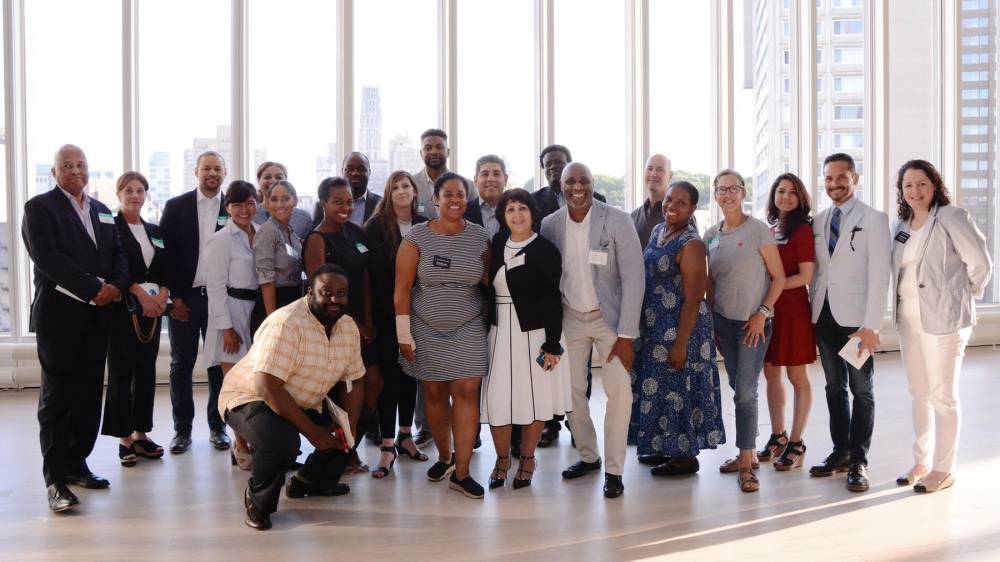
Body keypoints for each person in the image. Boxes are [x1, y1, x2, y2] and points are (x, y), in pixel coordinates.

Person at [22, 145, 129, 512]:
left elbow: (118, 253)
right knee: (58, 397)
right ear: (54, 173)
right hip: (59, 316)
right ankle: (55, 480)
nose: (75, 170)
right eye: (67, 165)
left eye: (81, 165)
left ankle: (76, 463)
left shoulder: (101, 210)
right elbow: (50, 259)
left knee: (87, 395)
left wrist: (115, 285)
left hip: (98, 317)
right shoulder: (39, 208)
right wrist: (95, 289)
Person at [219, 264, 363, 530]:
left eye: (341, 293)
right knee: (282, 442)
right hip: (250, 397)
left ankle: (309, 481)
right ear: (310, 293)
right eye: (326, 292)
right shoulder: (286, 323)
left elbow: (352, 379)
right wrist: (313, 433)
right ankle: (258, 501)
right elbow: (267, 386)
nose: (334, 299)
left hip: (302, 397)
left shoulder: (347, 326)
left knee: (361, 416)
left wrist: (350, 424)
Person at [540, 162, 644, 499]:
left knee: (620, 391)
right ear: (562, 186)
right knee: (569, 390)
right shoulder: (550, 224)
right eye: (571, 182)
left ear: (592, 183)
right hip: (570, 317)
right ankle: (589, 455)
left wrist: (627, 336)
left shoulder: (616, 219)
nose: (577, 187)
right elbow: (547, 278)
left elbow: (633, 277)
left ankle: (614, 470)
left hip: (609, 319)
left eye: (584, 180)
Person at [890, 160, 991, 493]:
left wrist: (963, 296)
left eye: (922, 184)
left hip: (945, 320)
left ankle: (944, 469)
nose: (915, 191)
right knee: (919, 394)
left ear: (934, 185)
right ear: (901, 191)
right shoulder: (901, 226)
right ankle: (922, 460)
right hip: (909, 321)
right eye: (908, 185)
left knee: (943, 396)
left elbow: (980, 263)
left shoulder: (951, 217)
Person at [395, 172, 491, 499]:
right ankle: (445, 457)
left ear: (467, 199)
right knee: (434, 395)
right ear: (434, 198)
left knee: (466, 392)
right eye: (447, 194)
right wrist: (403, 334)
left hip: (469, 326)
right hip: (424, 328)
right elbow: (401, 290)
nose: (454, 199)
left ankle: (462, 473)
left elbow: (492, 282)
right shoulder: (416, 238)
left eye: (460, 194)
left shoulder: (480, 237)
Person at [628, 182, 725, 477]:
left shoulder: (692, 244)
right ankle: (661, 446)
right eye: (670, 199)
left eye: (681, 203)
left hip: (682, 329)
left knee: (677, 391)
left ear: (693, 209)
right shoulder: (659, 231)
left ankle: (684, 456)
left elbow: (694, 299)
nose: (672, 205)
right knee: (658, 388)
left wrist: (681, 343)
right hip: (656, 328)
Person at [808, 153, 890, 493]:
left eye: (841, 177)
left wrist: (871, 325)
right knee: (833, 388)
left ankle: (859, 460)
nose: (834, 184)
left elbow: (880, 275)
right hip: (824, 317)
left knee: (861, 390)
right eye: (829, 178)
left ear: (855, 178)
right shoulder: (819, 220)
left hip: (856, 322)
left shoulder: (873, 218)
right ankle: (840, 451)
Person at [482, 188, 570, 490]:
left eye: (522, 208)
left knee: (535, 399)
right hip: (498, 332)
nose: (516, 215)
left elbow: (552, 299)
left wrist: (552, 343)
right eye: (510, 210)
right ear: (502, 215)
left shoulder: (545, 250)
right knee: (498, 399)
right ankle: (502, 459)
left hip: (534, 335)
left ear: (533, 213)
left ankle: (528, 458)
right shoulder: (496, 243)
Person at [704, 169, 786, 493]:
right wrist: (712, 323)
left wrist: (762, 314)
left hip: (754, 324)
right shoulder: (710, 234)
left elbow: (778, 278)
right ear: (715, 196)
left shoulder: (758, 231)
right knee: (738, 386)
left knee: (746, 392)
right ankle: (746, 454)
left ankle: (746, 460)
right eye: (721, 189)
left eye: (733, 188)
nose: (727, 194)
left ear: (742, 192)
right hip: (724, 323)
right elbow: (710, 282)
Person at [533, 145, 605, 449]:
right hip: (551, 294)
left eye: (558, 164)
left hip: (585, 293)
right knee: (550, 360)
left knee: (581, 368)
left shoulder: (598, 202)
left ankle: (579, 425)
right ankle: (550, 423)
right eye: (548, 165)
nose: (553, 168)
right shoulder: (535, 202)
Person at [304, 177, 378, 472]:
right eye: (338, 201)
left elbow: (365, 279)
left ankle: (349, 445)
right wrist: (354, 326)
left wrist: (368, 322)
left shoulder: (355, 232)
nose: (345, 207)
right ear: (323, 203)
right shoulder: (316, 239)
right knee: (345, 391)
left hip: (363, 325)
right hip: (334, 326)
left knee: (373, 383)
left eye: (348, 201)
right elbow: (323, 295)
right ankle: (342, 453)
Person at [160, 151, 231, 454]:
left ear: (224, 173)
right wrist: (172, 299)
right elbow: (163, 254)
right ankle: (182, 431)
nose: (211, 173)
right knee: (181, 364)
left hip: (219, 299)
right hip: (184, 299)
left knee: (218, 365)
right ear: (196, 172)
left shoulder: (232, 207)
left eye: (217, 169)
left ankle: (218, 428)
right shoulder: (176, 207)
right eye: (206, 168)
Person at [102, 172, 170, 467]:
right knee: (121, 371)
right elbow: (111, 266)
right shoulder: (110, 228)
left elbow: (164, 266)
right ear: (118, 194)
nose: (135, 195)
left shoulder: (154, 230)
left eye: (140, 190)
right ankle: (124, 438)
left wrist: (163, 294)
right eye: (128, 190)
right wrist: (138, 292)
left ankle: (142, 434)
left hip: (152, 311)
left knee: (146, 370)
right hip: (123, 309)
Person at [760, 173, 816, 470]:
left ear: (801, 198)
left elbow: (806, 276)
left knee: (797, 377)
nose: (785, 197)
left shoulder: (803, 230)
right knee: (771, 374)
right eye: (780, 191)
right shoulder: (769, 229)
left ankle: (796, 440)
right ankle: (777, 435)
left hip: (793, 311)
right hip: (769, 310)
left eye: (792, 193)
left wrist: (775, 286)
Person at [204, 181, 260, 467]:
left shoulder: (262, 234)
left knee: (256, 385)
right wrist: (226, 327)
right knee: (235, 385)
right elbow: (214, 288)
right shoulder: (221, 239)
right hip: (231, 313)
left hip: (257, 312)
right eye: (237, 204)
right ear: (227, 208)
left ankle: (254, 437)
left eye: (250, 203)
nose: (244, 210)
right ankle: (240, 444)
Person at [254, 180, 304, 317]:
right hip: (274, 304)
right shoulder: (268, 230)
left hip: (292, 301)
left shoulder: (291, 233)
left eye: (285, 199)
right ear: (268, 203)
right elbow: (266, 280)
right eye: (274, 200)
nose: (279, 204)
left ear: (295, 201)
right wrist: (273, 320)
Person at [410, 128, 476, 219]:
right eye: (428, 148)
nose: (433, 152)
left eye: (439, 147)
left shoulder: (468, 185)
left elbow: (475, 219)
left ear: (448, 152)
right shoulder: (410, 184)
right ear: (421, 153)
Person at [532, 144, 606, 219]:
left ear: (569, 165)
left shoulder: (598, 200)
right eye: (548, 164)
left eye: (558, 162)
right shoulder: (534, 200)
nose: (553, 167)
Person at [311, 152, 383, 228]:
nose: (355, 173)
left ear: (369, 173)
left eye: (361, 169)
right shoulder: (323, 205)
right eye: (349, 169)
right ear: (342, 172)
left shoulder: (381, 205)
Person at [253, 161, 312, 240]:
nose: (273, 181)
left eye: (279, 178)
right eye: (267, 177)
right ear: (258, 181)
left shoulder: (303, 218)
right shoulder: (250, 215)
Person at [630, 154, 674, 247]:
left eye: (660, 169)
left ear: (670, 175)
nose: (653, 174)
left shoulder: (680, 215)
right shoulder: (634, 216)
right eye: (649, 169)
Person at [465, 154, 508, 238]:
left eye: (496, 174)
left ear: (505, 179)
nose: (491, 178)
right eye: (485, 174)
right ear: (475, 180)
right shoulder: (463, 213)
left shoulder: (518, 212)